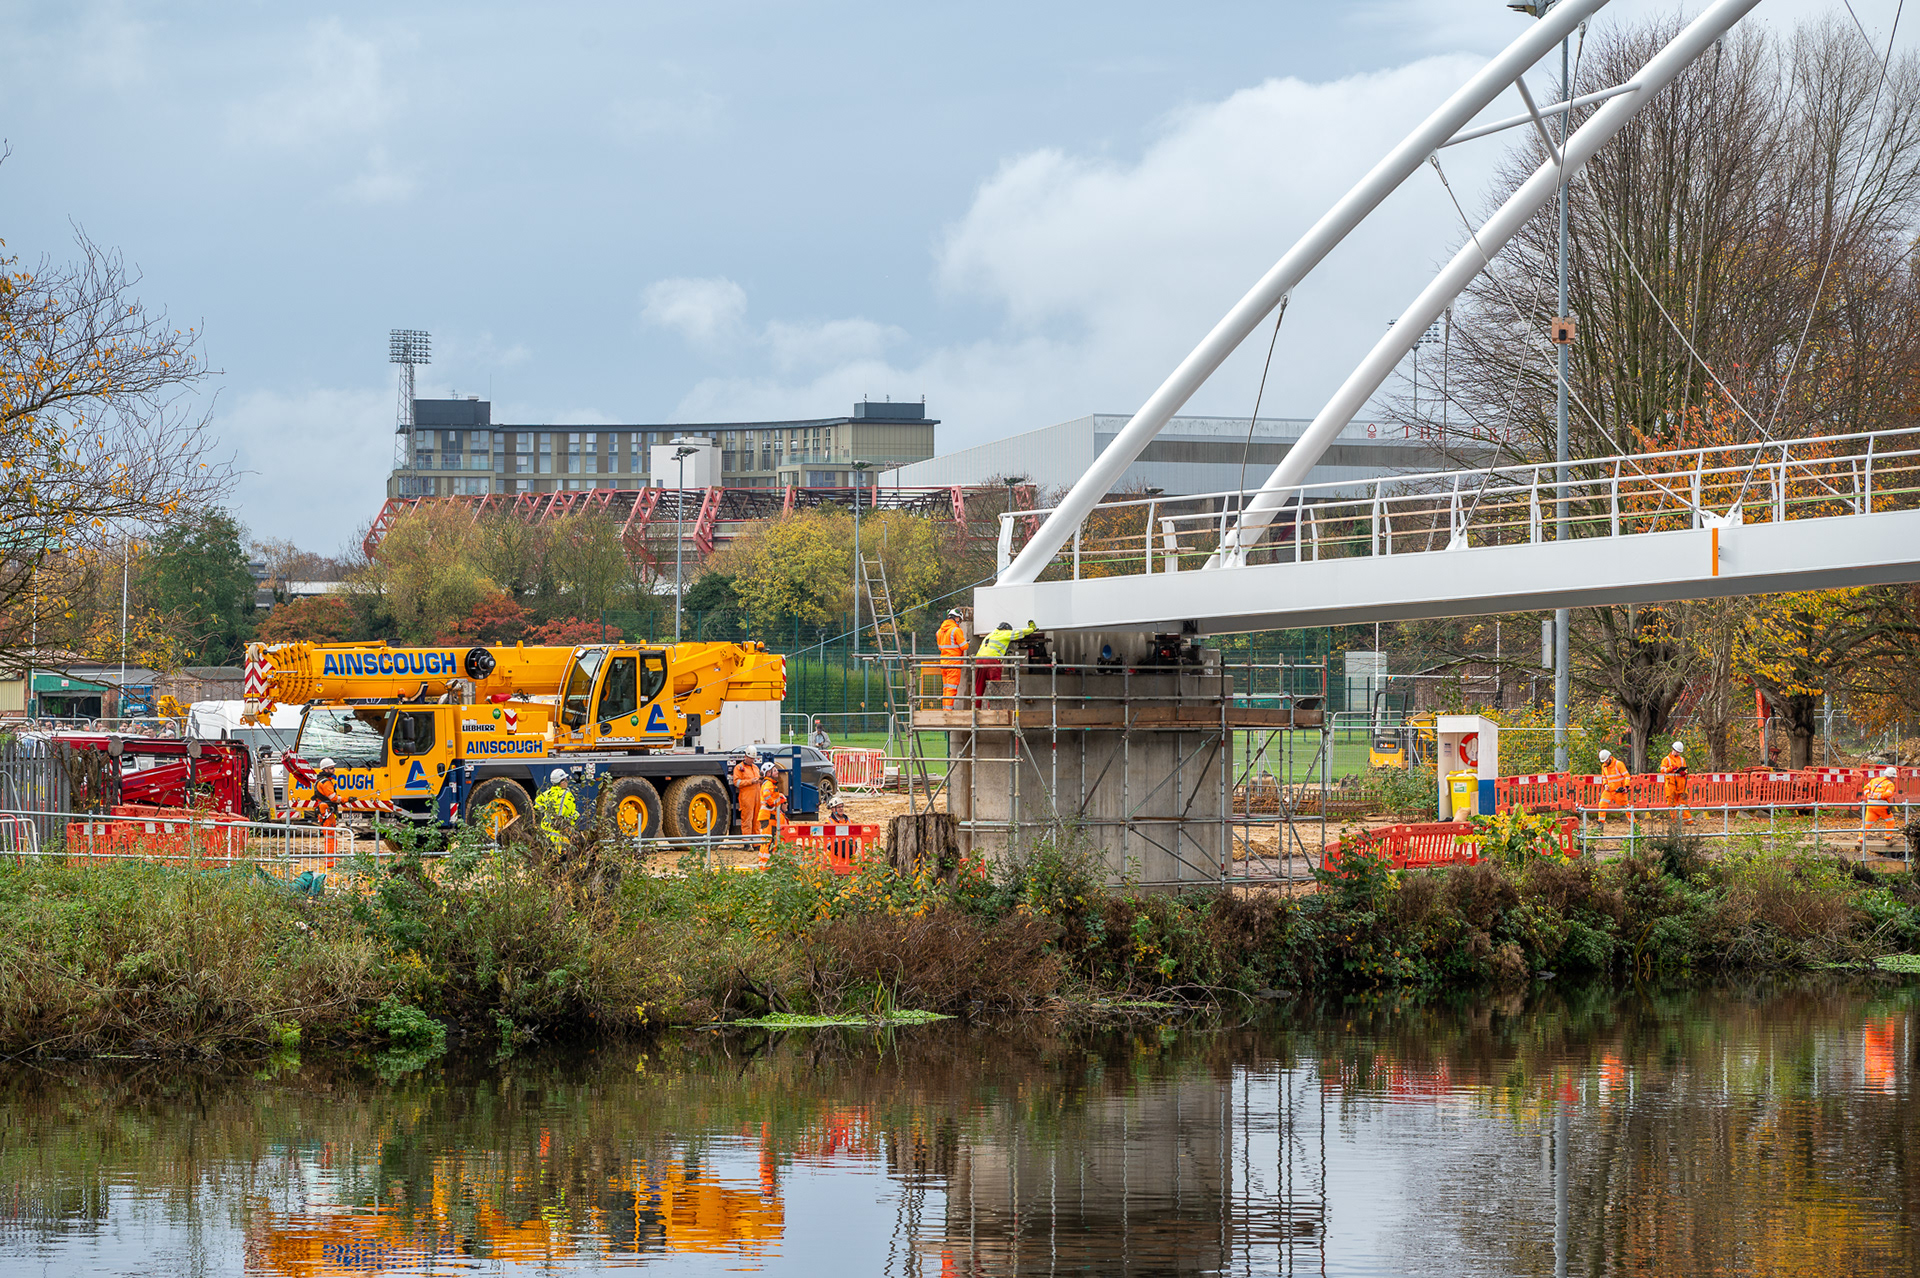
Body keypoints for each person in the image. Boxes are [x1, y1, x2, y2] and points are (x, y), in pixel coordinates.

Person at [535, 767, 578, 847]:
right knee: (561, 857)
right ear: (562, 782)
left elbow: (537, 802)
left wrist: (544, 808)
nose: (567, 781)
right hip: (558, 835)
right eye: (565, 779)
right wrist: (575, 815)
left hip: (546, 832)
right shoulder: (567, 795)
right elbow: (564, 815)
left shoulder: (548, 793)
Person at [936, 608, 969, 709]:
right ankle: (948, 711)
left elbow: (940, 647)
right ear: (956, 618)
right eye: (959, 619)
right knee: (952, 689)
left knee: (946, 688)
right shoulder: (956, 630)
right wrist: (967, 643)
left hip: (943, 663)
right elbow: (964, 646)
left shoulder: (940, 631)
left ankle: (945, 708)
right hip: (953, 664)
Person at [313, 757, 343, 864]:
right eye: (331, 768)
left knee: (330, 835)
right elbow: (333, 798)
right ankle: (330, 860)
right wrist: (345, 799)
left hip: (326, 810)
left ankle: (332, 857)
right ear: (325, 769)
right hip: (327, 811)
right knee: (330, 835)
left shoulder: (322, 781)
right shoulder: (326, 783)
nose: (333, 770)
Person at [1863, 766, 1900, 850]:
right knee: (1890, 821)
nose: (1894, 779)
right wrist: (1878, 796)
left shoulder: (1875, 780)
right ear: (1891, 777)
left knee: (1867, 823)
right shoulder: (1890, 784)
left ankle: (1860, 840)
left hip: (1870, 805)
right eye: (1894, 777)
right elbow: (1888, 794)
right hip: (1881, 806)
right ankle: (1888, 840)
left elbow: (1865, 788)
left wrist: (1869, 795)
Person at [1658, 740, 1693, 826]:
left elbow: (1686, 769)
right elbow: (1663, 770)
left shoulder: (1682, 759)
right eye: (1677, 751)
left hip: (1681, 784)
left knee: (1684, 803)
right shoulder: (1666, 759)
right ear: (1673, 749)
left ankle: (1687, 820)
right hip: (1671, 784)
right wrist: (1670, 768)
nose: (1678, 753)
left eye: (1679, 752)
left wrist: (1684, 772)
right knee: (1671, 803)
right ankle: (1673, 820)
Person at [731, 752, 763, 838]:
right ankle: (747, 842)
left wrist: (759, 781)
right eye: (750, 758)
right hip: (747, 798)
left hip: (757, 798)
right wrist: (751, 781)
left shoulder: (755, 767)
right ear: (745, 757)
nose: (752, 760)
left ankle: (756, 843)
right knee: (747, 820)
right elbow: (736, 782)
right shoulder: (739, 768)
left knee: (757, 820)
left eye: (753, 758)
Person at [1597, 748, 1631, 827]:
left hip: (1619, 791)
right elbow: (1604, 777)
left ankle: (1634, 824)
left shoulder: (1618, 764)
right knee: (1602, 804)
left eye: (1606, 760)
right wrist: (1605, 784)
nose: (1605, 762)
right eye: (1604, 761)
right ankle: (1601, 823)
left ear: (1610, 757)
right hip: (1608, 791)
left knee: (1626, 808)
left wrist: (1626, 787)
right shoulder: (1604, 766)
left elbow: (1627, 776)